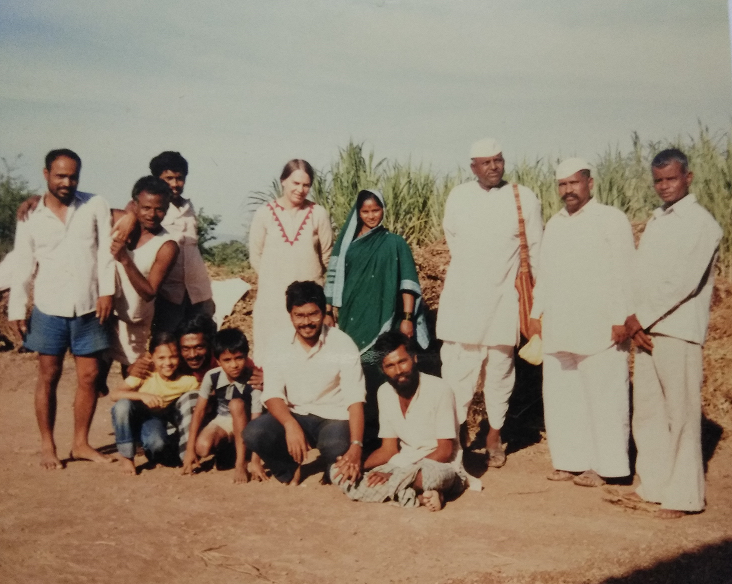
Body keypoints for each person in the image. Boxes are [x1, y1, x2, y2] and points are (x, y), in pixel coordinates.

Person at [623, 149, 722, 518]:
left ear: (688, 178)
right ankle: (654, 485)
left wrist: (640, 319)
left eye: (672, 179)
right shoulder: (659, 220)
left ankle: (684, 496)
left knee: (680, 413)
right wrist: (635, 320)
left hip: (677, 329)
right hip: (647, 328)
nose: (665, 186)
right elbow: (642, 275)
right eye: (659, 180)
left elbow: (682, 282)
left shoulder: (701, 223)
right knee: (648, 410)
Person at [16, 151, 215, 334]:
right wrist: (39, 200)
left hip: (198, 291)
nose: (174, 184)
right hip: (169, 294)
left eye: (179, 178)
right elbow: (123, 210)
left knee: (205, 342)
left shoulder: (188, 208)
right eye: (168, 178)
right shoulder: (150, 207)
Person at [527, 158, 634, 488]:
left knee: (605, 398)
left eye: (574, 183)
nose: (568, 190)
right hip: (560, 325)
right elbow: (544, 274)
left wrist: (621, 318)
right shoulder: (556, 224)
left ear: (590, 183)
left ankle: (608, 468)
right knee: (563, 399)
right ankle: (570, 462)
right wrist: (535, 314)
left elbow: (625, 272)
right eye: (562, 184)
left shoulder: (610, 220)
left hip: (600, 326)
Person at [436, 138, 543, 467]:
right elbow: (454, 241)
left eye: (498, 160)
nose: (494, 166)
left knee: (500, 371)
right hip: (463, 301)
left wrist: (537, 307)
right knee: (458, 372)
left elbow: (536, 252)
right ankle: (454, 436)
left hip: (502, 301)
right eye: (486, 162)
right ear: (473, 167)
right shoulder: (459, 196)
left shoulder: (523, 197)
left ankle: (495, 435)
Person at [9, 149, 115, 469]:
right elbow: (23, 263)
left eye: (72, 176)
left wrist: (107, 292)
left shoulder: (94, 204)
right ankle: (47, 445)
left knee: (90, 376)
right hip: (49, 306)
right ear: (46, 174)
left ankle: (80, 442)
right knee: (48, 375)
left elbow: (106, 251)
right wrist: (16, 307)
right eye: (60, 175)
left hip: (89, 305)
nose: (67, 182)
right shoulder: (31, 215)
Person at [324, 188, 429, 440]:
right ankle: (359, 434)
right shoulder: (348, 244)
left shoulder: (395, 243)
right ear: (358, 213)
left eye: (376, 210)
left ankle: (386, 433)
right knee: (354, 372)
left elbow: (407, 283)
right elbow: (335, 278)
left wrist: (406, 318)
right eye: (366, 211)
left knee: (379, 370)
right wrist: (329, 310)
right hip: (352, 316)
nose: (371, 216)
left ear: (383, 209)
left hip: (384, 318)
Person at [244, 281, 365, 485]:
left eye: (313, 314)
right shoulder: (278, 343)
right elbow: (272, 393)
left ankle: (330, 467)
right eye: (299, 315)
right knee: (254, 433)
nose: (306, 322)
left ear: (323, 312)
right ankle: (289, 468)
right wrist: (290, 424)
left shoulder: (342, 343)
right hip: (295, 413)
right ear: (290, 314)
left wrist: (356, 445)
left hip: (333, 416)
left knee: (335, 446)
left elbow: (355, 399)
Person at [332, 331, 466, 510]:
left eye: (403, 362)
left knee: (426, 477)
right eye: (390, 366)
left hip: (439, 467)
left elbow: (445, 450)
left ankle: (416, 491)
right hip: (400, 464)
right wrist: (357, 465)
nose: (399, 371)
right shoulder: (384, 392)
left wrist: (399, 475)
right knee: (339, 474)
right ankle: (419, 496)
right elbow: (388, 450)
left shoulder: (439, 389)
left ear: (414, 358)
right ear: (383, 369)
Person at [248, 160, 333, 362]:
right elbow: (256, 256)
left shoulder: (318, 214)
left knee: (308, 354)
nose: (300, 190)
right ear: (283, 181)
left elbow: (328, 258)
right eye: (295, 183)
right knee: (271, 355)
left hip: (308, 302)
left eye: (306, 185)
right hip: (273, 301)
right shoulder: (264, 214)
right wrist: (274, 282)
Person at [105, 176, 179, 376]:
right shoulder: (119, 219)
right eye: (146, 208)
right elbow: (79, 211)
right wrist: (35, 201)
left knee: (131, 378)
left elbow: (149, 292)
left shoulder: (167, 245)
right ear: (134, 205)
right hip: (105, 314)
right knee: (93, 377)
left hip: (133, 321)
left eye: (159, 209)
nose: (152, 215)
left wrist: (125, 259)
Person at [182, 328, 265, 483]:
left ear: (246, 357)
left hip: (247, 422)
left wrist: (255, 460)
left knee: (236, 404)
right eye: (227, 360)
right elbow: (199, 411)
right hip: (224, 420)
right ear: (218, 361)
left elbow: (257, 422)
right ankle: (231, 450)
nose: (234, 365)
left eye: (239, 358)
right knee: (202, 448)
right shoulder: (212, 376)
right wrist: (189, 449)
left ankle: (240, 462)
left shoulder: (253, 380)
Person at [110, 331, 200, 475]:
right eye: (161, 358)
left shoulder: (187, 381)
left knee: (157, 444)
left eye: (173, 357)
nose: (168, 363)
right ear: (151, 358)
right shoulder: (146, 373)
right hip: (136, 415)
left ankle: (144, 444)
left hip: (154, 420)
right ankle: (127, 456)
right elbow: (114, 394)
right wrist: (141, 395)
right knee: (122, 405)